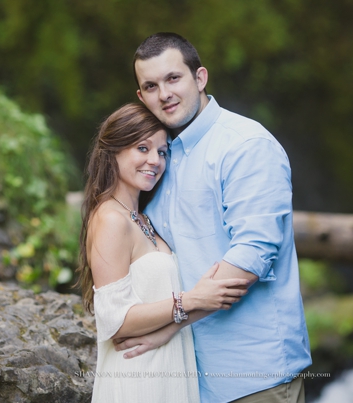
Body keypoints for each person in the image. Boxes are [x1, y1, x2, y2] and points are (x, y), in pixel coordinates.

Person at [112, 33, 313, 403]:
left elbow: (252, 254)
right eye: (151, 86)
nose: (165, 94)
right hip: (185, 379)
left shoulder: (245, 146)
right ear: (141, 97)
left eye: (174, 78)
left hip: (254, 376)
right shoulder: (156, 158)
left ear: (200, 78)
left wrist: (171, 323)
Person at [76, 103, 250, 403]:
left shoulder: (142, 218)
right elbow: (113, 320)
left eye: (162, 152)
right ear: (114, 150)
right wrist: (192, 300)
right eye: (142, 148)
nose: (155, 160)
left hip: (169, 368)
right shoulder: (110, 219)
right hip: (138, 376)